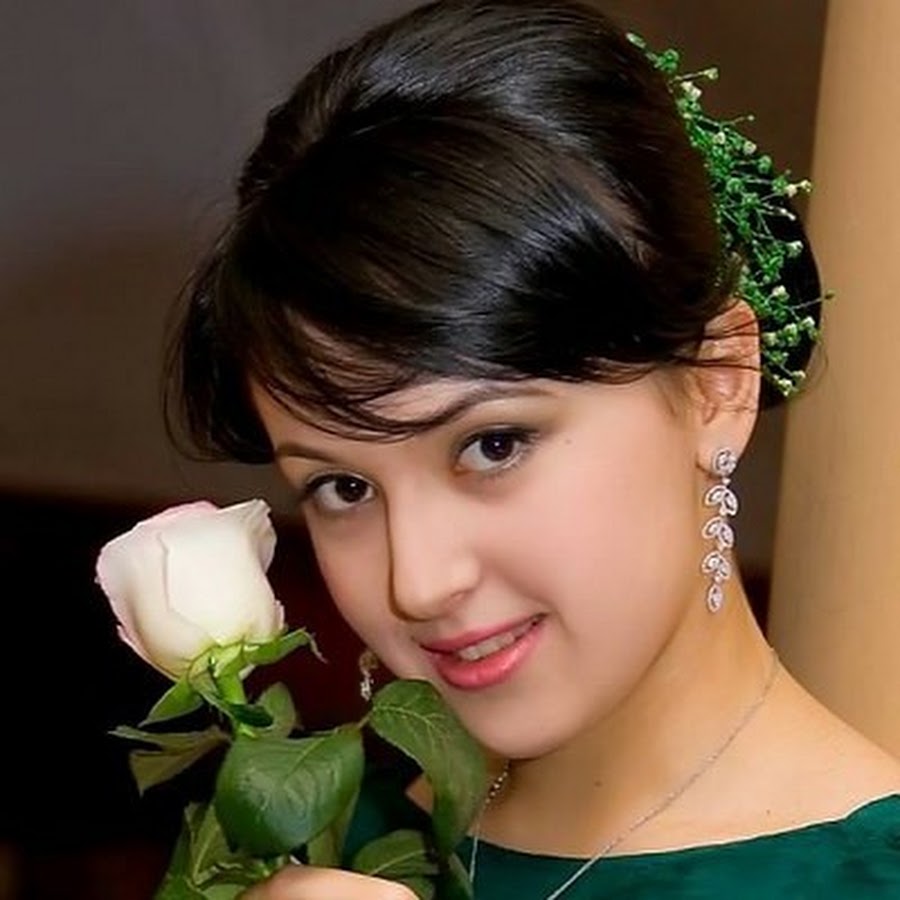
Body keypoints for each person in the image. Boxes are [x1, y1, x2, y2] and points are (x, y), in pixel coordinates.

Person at [168, 1, 900, 896]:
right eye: (343, 488)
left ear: (718, 383)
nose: (417, 583)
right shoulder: (324, 842)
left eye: (493, 445)